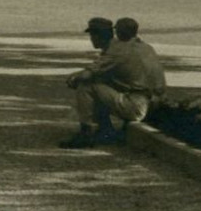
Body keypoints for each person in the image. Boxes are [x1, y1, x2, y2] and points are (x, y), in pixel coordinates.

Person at [60, 16, 168, 148]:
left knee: (86, 85)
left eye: (94, 35)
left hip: (138, 106)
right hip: (156, 103)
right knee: (102, 82)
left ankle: (86, 133)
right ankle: (106, 130)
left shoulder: (117, 50)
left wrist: (73, 78)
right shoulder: (145, 47)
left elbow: (86, 75)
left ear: (99, 36)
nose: (92, 38)